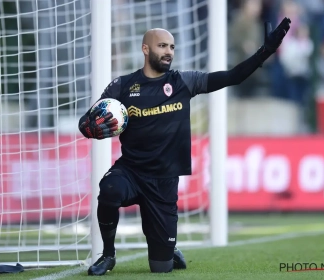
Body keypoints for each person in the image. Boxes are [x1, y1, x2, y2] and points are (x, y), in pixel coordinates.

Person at [78, 18, 291, 276]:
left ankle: (169, 246)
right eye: (162, 46)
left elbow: (232, 77)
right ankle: (108, 255)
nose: (169, 51)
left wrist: (266, 50)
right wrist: (90, 128)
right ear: (146, 49)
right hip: (131, 172)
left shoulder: (184, 82)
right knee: (109, 188)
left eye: (172, 47)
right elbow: (89, 120)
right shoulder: (122, 86)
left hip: (164, 182)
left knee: (161, 268)